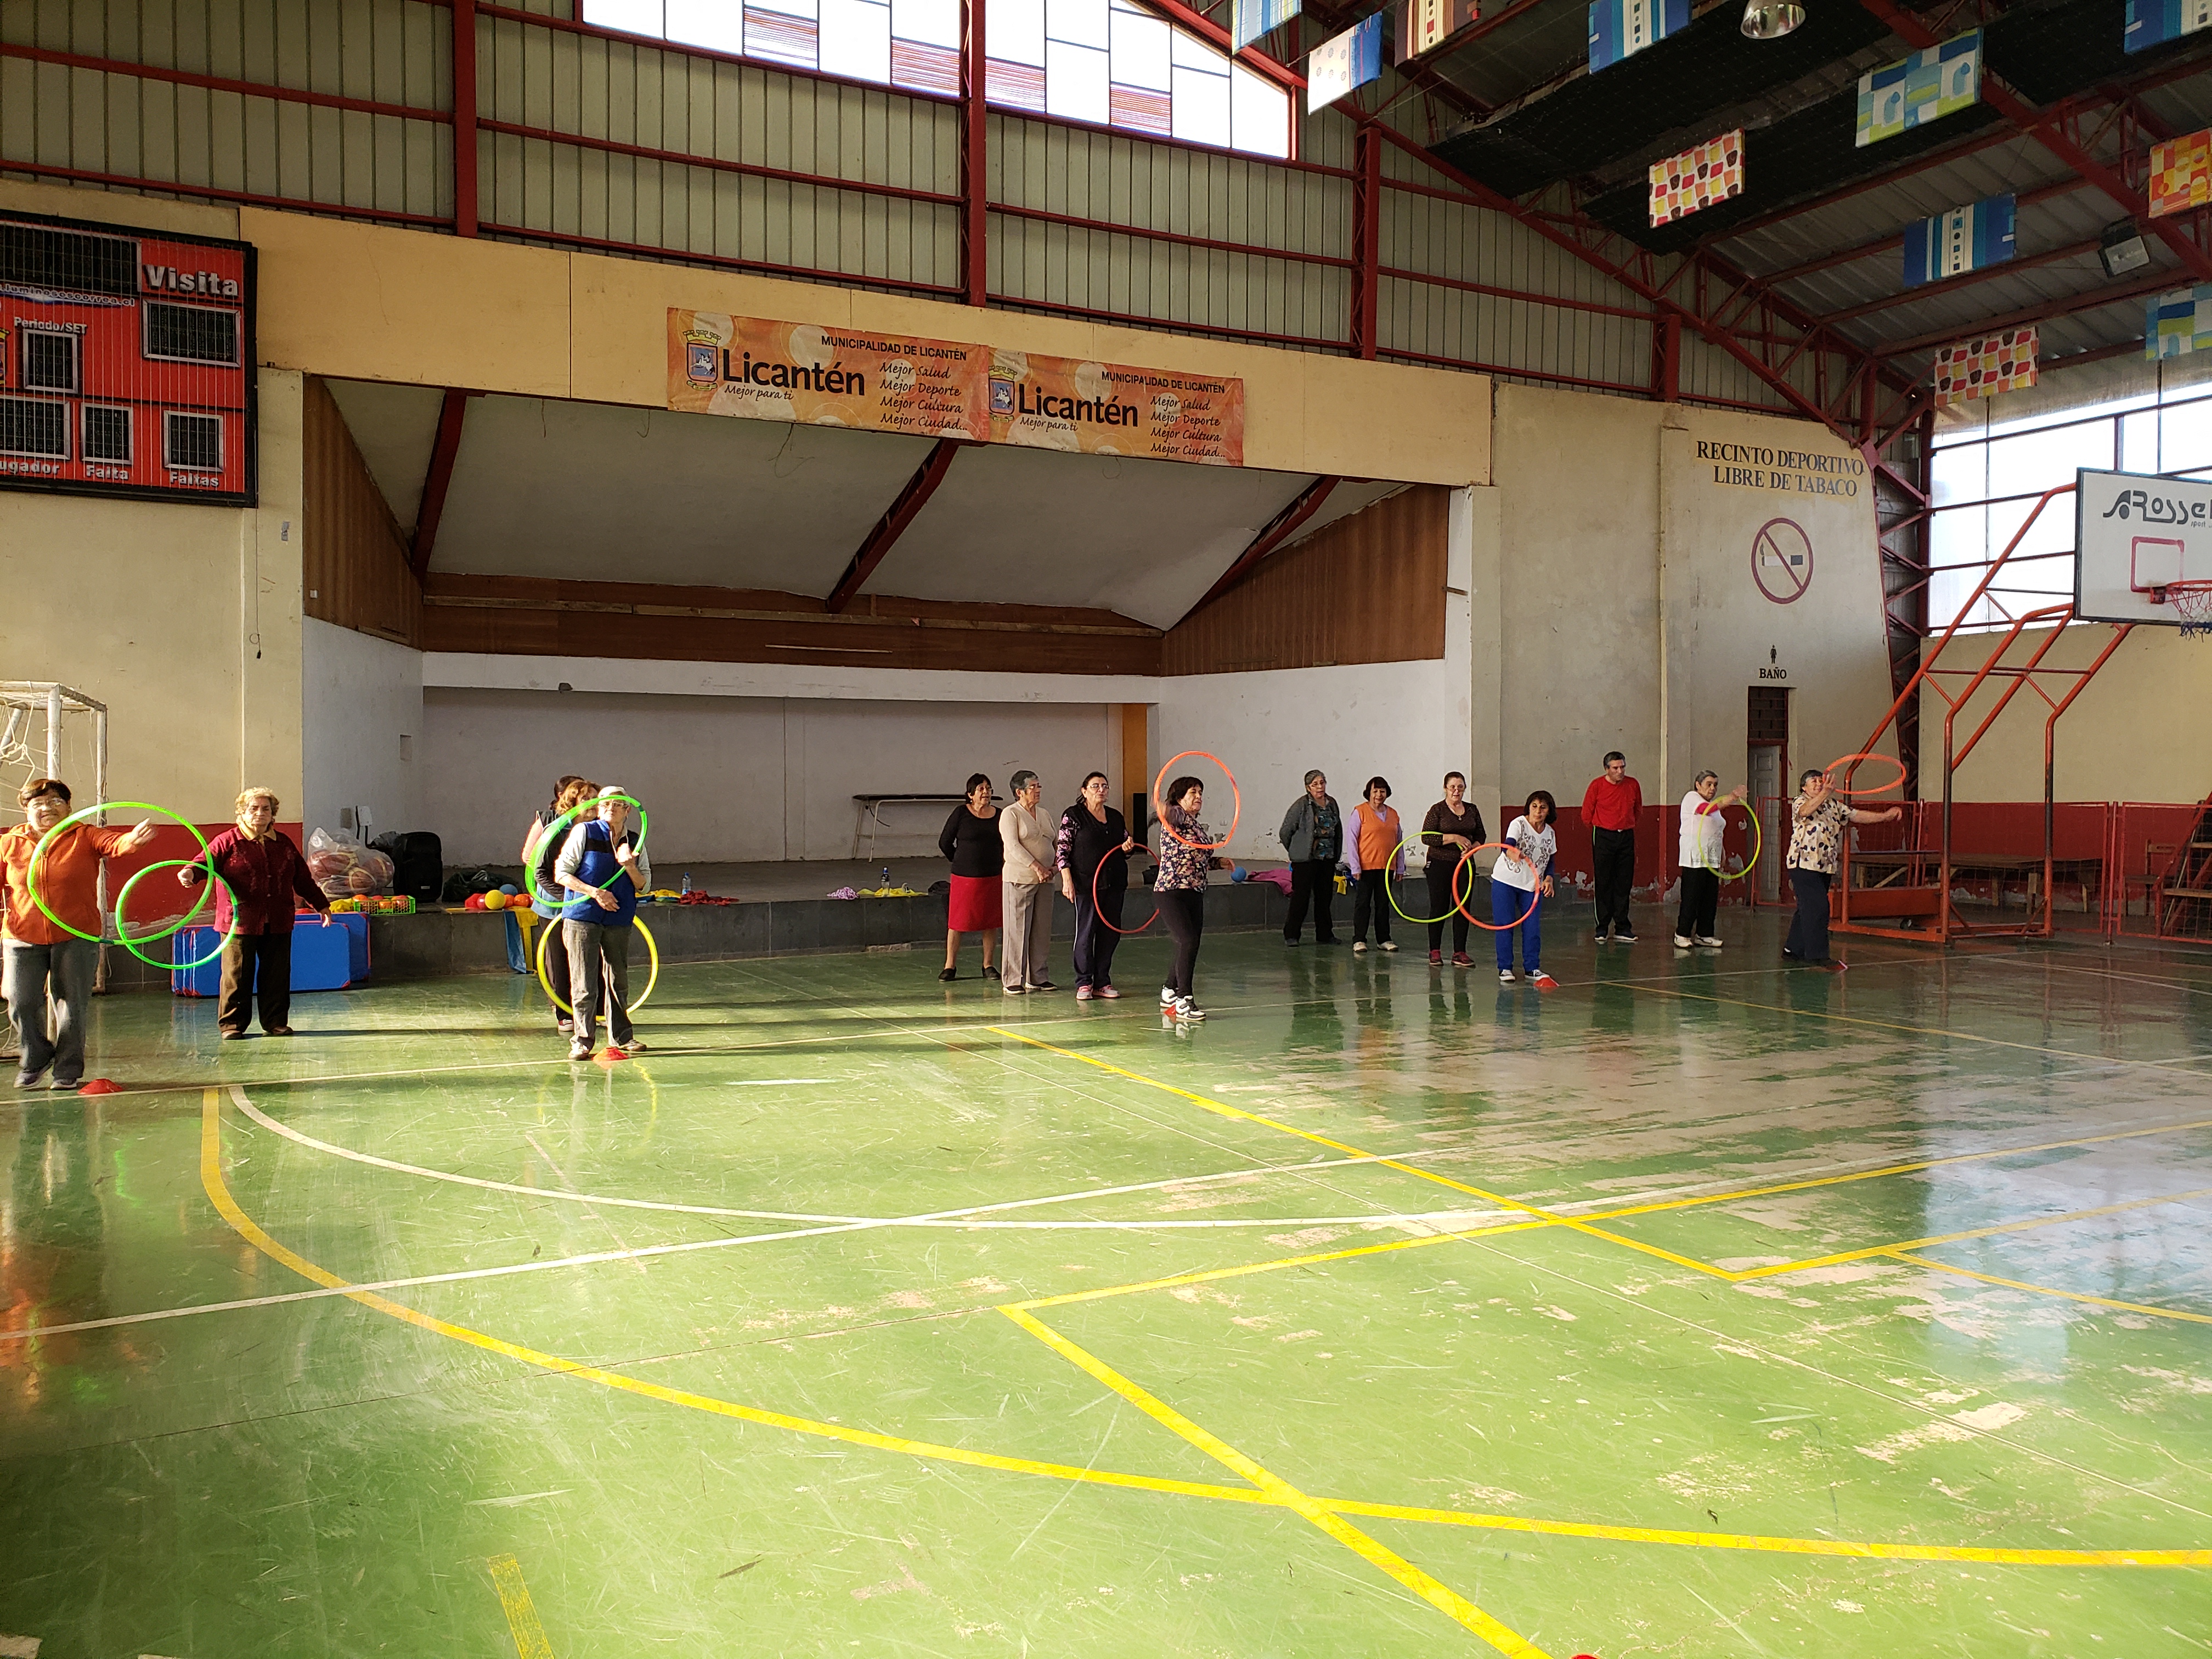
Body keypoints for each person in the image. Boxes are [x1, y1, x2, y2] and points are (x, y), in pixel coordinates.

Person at [1, 778, 155, 1088]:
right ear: (27, 811)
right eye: (38, 804)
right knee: (20, 1001)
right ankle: (36, 1057)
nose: (47, 808)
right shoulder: (9, 843)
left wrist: (132, 841)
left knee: (71, 1006)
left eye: (56, 802)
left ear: (69, 807)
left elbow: (115, 844)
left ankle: (67, 1071)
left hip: (76, 935)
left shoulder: (84, 835)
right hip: (22, 934)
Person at [178, 787, 335, 1039]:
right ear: (241, 812)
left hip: (279, 919)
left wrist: (321, 905)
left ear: (273, 814)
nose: (260, 814)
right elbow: (203, 863)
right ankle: (232, 1025)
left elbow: (302, 878)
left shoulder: (283, 843)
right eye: (253, 809)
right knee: (236, 975)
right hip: (239, 921)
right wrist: (189, 873)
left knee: (277, 974)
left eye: (266, 809)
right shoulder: (228, 841)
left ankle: (275, 1022)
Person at [555, 784, 652, 1059]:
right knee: (584, 982)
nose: (611, 808)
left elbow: (645, 885)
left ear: (627, 810)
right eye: (605, 804)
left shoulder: (635, 841)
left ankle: (622, 1036)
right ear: (598, 808)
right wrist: (595, 893)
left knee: (618, 979)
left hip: (619, 916)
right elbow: (562, 873)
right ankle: (582, 1040)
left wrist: (629, 866)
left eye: (617, 804)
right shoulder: (584, 832)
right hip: (583, 916)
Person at [1785, 770, 1901, 972]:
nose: (1819, 784)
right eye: (1814, 781)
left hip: (1825, 866)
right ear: (1804, 787)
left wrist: (1885, 816)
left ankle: (1792, 950)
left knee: (1807, 908)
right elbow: (1804, 812)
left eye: (1821, 781)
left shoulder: (1833, 805)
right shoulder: (1800, 801)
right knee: (1819, 908)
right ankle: (1818, 956)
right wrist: (1825, 792)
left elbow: (1857, 815)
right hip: (1803, 864)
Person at [523, 776, 601, 1036]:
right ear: (572, 802)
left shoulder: (599, 829)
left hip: (586, 902)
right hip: (555, 905)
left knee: (590, 956)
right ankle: (563, 1013)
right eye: (585, 799)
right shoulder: (557, 830)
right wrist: (567, 898)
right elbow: (540, 871)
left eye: (595, 798)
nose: (592, 803)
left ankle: (596, 1010)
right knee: (558, 960)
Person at [1058, 771, 1141, 1002]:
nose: (1101, 790)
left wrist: (1128, 848)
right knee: (1086, 933)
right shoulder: (1074, 816)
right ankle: (1084, 981)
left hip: (1114, 883)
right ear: (1084, 791)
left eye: (1105, 786)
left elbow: (1125, 846)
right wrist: (1067, 880)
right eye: (1095, 786)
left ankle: (1102, 981)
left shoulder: (1115, 817)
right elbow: (1063, 850)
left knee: (1110, 934)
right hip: (1087, 884)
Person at [1156, 775, 1229, 1022]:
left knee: (1189, 942)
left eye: (1200, 793)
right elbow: (1169, 815)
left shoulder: (1196, 825)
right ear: (1179, 798)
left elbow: (1199, 858)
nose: (1199, 797)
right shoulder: (1176, 818)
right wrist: (1164, 807)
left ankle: (1170, 990)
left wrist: (1219, 862)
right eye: (1193, 793)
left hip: (1194, 890)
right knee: (1186, 940)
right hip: (1172, 890)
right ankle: (1184, 1000)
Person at [512, 774, 580, 980]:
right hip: (553, 899)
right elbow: (528, 857)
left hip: (580, 897)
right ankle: (557, 996)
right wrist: (557, 876)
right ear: (561, 795)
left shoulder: (589, 822)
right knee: (556, 956)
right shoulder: (547, 820)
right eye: (576, 793)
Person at [938, 774, 1002, 983]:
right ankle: (950, 966)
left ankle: (988, 965)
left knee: (990, 922)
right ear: (970, 794)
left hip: (992, 876)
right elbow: (945, 842)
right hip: (964, 878)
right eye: (981, 789)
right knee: (957, 922)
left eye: (988, 788)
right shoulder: (961, 813)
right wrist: (959, 860)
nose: (986, 792)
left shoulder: (1000, 815)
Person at [1492, 789, 1558, 989]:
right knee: (1505, 925)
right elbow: (1508, 845)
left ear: (1549, 811)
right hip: (1506, 881)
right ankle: (1505, 968)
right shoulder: (1518, 824)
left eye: (1543, 808)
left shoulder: (1550, 833)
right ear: (1528, 807)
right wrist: (1512, 853)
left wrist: (1549, 879)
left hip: (1532, 885)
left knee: (1532, 927)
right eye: (1534, 806)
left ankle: (1532, 968)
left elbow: (1550, 860)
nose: (1538, 811)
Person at [998, 769, 1057, 995]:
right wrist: (1037, 867)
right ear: (1020, 792)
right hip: (1020, 879)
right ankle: (1013, 979)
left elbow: (1054, 841)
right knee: (1017, 930)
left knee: (1042, 930)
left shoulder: (1044, 814)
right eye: (1033, 787)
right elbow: (1013, 846)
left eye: (1039, 786)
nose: (1038, 790)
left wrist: (1055, 866)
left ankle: (1038, 977)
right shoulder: (1010, 814)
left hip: (1046, 880)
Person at [1419, 772, 1486, 968]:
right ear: (1446, 789)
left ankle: (1460, 952)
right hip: (1439, 863)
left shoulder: (1472, 810)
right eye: (1453, 787)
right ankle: (1435, 951)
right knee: (1439, 907)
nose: (1457, 791)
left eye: (1460, 787)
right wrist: (1455, 838)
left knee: (1463, 908)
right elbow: (1427, 837)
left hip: (1465, 865)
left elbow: (1481, 835)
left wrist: (1473, 848)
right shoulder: (1438, 810)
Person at [1674, 770, 1747, 950]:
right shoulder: (1692, 798)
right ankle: (1682, 934)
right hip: (1694, 858)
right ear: (1698, 785)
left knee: (1709, 898)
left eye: (1715, 785)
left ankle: (1704, 934)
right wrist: (1732, 797)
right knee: (1692, 897)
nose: (1713, 788)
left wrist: (1722, 853)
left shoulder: (1715, 808)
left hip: (1712, 858)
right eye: (1709, 784)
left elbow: (1716, 831)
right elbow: (1705, 811)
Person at [1582, 751, 1643, 944]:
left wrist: (1626, 825)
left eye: (1622, 767)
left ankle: (1622, 928)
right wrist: (1602, 828)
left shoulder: (1633, 785)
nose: (1620, 771)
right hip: (1603, 836)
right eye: (1615, 768)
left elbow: (1638, 810)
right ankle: (1602, 927)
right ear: (1606, 769)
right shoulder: (1597, 786)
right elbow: (1586, 814)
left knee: (1624, 882)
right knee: (1604, 882)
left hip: (1626, 835)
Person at [1278, 769, 1342, 946]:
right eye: (1315, 784)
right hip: (1306, 861)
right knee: (1301, 898)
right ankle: (1292, 935)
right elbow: (1285, 831)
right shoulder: (1301, 805)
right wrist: (1296, 850)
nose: (1320, 787)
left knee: (1324, 898)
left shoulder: (1332, 804)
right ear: (1308, 787)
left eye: (1322, 783)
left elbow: (1337, 828)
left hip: (1327, 858)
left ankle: (1325, 935)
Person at [1345, 776, 1403, 954]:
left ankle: (1384, 939)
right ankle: (1359, 939)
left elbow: (1399, 842)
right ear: (1369, 793)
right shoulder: (1360, 812)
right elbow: (1352, 840)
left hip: (1387, 867)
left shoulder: (1393, 814)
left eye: (1382, 791)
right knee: (1363, 904)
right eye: (1375, 791)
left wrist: (1400, 867)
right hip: (1365, 868)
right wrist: (1355, 866)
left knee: (1383, 904)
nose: (1379, 794)